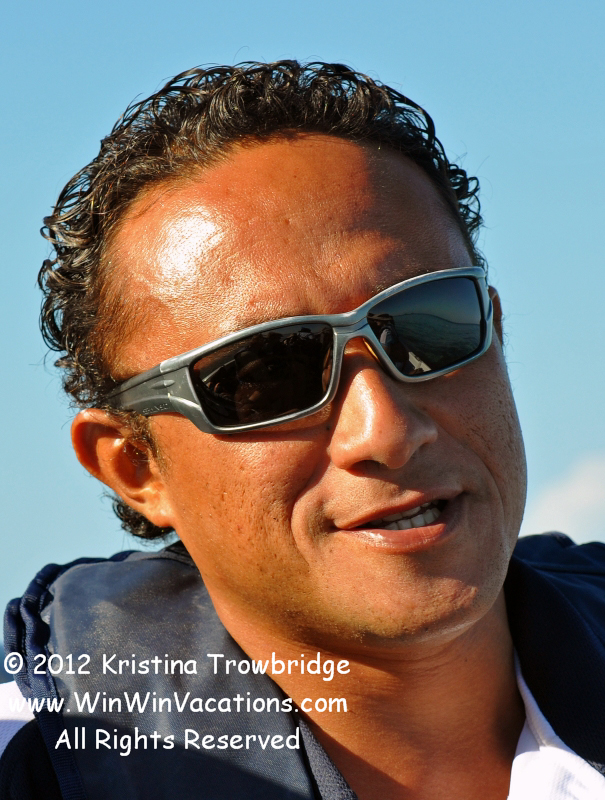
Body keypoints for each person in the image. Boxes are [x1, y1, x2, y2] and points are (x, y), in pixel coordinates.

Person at [1, 61, 605, 800]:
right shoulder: (31, 762)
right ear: (136, 467)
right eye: (266, 374)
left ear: (494, 330)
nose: (385, 430)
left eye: (425, 327)